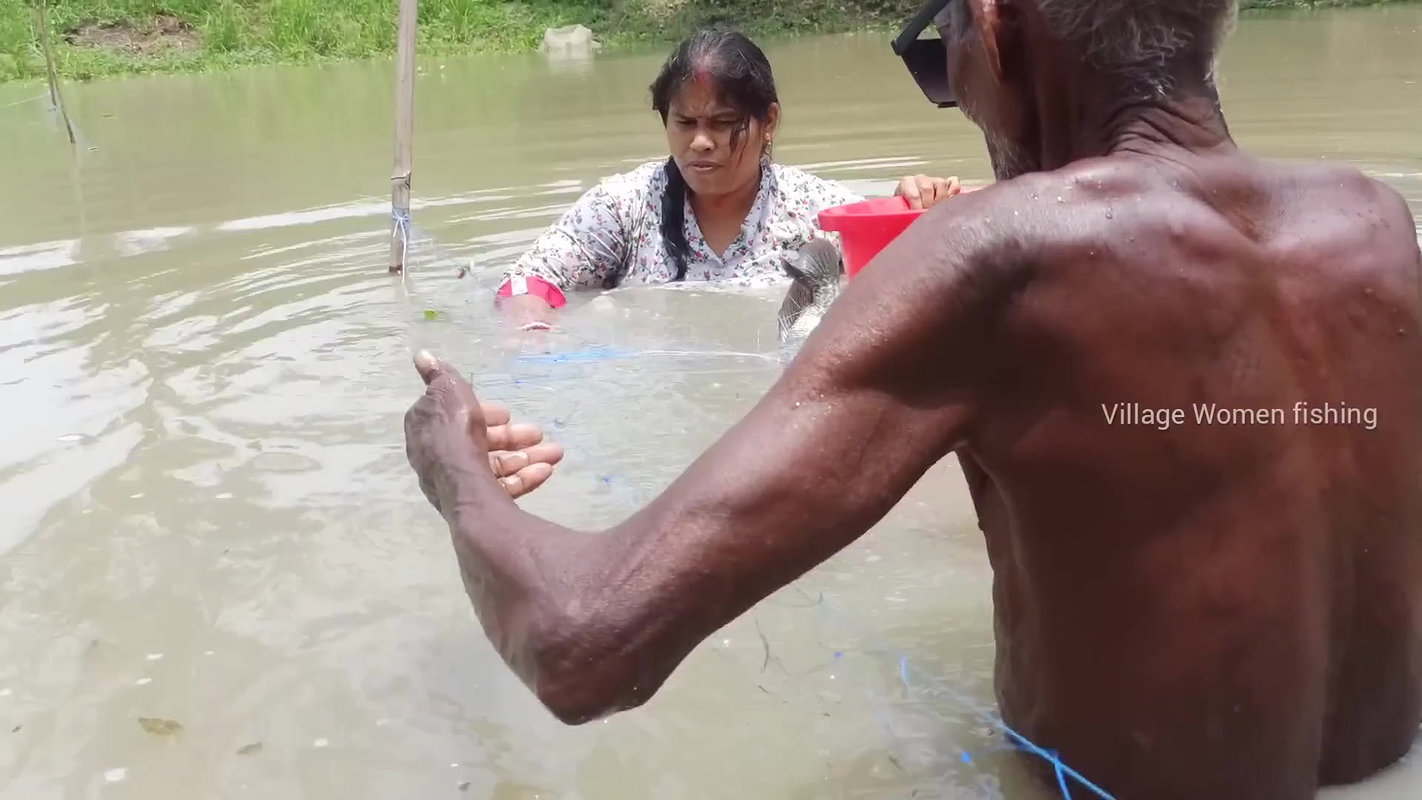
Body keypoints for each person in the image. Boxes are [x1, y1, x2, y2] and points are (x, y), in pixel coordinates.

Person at [405, 0, 1422, 798]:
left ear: (991, 22)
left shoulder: (1007, 252)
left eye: (938, 59)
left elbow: (581, 640)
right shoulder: (1377, 223)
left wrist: (454, 464)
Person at [496, 26, 961, 330]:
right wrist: (535, 343)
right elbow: (528, 282)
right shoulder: (625, 207)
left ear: (769, 121)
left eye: (722, 123)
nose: (700, 142)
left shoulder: (819, 214)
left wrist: (920, 212)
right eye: (684, 123)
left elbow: (914, 285)